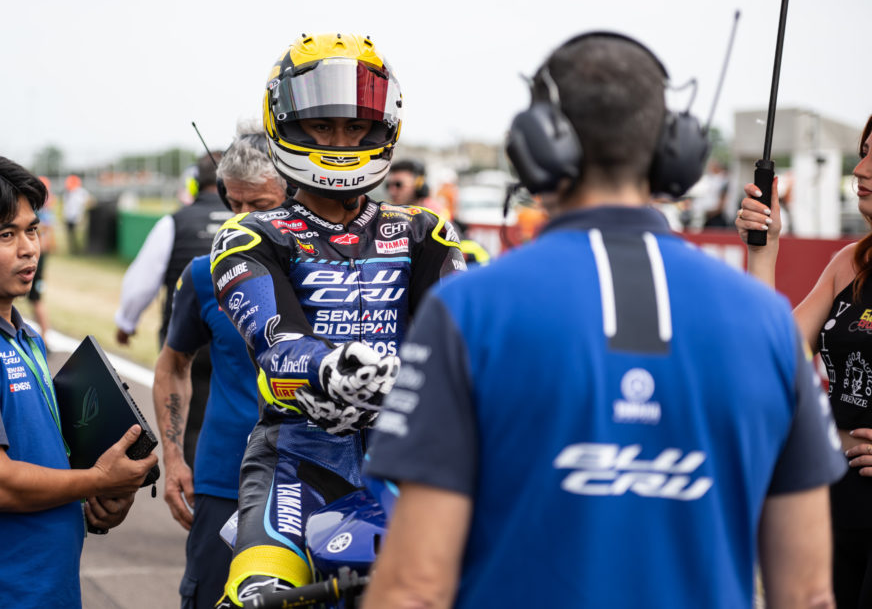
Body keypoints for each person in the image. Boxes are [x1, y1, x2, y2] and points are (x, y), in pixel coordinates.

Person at [362, 33, 846, 609]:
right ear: (673, 151)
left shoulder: (469, 311)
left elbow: (413, 589)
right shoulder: (767, 323)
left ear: (535, 146)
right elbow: (807, 594)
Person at [210, 32, 465, 607]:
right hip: (297, 459)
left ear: (383, 128)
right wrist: (332, 369)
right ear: (286, 125)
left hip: (412, 461)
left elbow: (462, 343)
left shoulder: (425, 230)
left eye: (355, 127)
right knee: (256, 595)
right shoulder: (250, 235)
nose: (341, 142)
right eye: (323, 126)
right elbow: (276, 345)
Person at [0, 151, 158, 609]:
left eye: (32, 229)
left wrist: (98, 501)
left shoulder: (22, 335)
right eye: (6, 234)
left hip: (45, 591)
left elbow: (41, 463)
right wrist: (96, 480)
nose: (29, 248)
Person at [736, 113, 872, 607]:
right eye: (863, 152)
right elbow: (770, 360)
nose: (860, 169)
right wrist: (764, 252)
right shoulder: (849, 264)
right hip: (830, 500)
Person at [153, 128, 288, 609]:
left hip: (317, 481)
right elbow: (173, 364)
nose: (242, 219)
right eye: (235, 204)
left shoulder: (336, 274)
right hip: (223, 479)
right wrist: (174, 461)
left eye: (260, 206)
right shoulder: (203, 273)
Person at [114, 155, 231, 349]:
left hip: (182, 346)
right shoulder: (250, 221)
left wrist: (126, 324)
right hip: (239, 347)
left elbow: (142, 284)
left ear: (193, 184)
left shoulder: (173, 223)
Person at [28, 176, 56, 340]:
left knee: (36, 298)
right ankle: (43, 335)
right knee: (33, 298)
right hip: (37, 256)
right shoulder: (39, 208)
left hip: (38, 258)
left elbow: (46, 239)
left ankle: (45, 337)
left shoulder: (41, 209)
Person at [62, 174, 91, 254]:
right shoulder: (67, 193)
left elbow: (89, 202)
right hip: (69, 217)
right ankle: (73, 250)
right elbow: (66, 206)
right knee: (70, 235)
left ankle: (80, 250)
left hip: (78, 217)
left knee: (79, 235)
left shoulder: (81, 192)